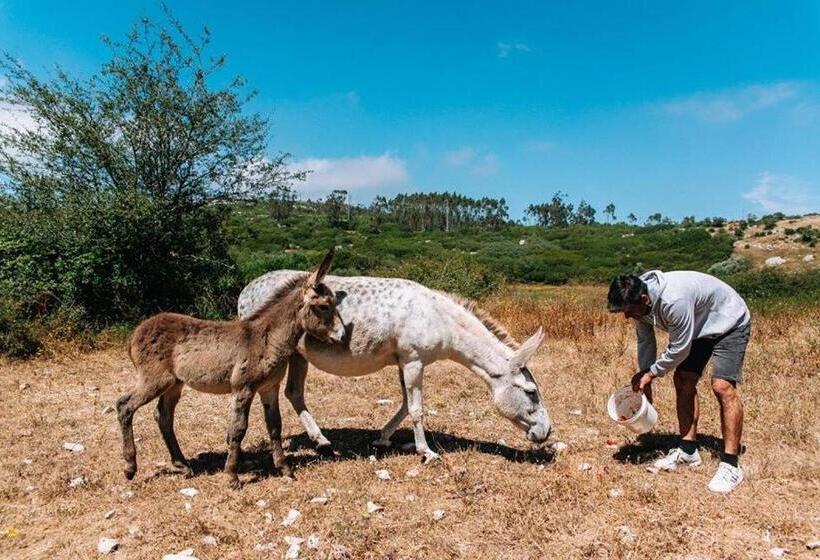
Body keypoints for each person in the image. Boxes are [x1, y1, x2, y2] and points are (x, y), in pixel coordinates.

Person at [607, 270, 751, 493]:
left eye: (629, 311)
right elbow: (645, 341)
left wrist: (652, 373)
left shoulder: (674, 300)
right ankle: (688, 450)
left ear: (644, 299)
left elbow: (680, 348)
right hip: (700, 326)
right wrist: (645, 375)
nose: (627, 316)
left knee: (722, 386)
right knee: (683, 379)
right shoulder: (639, 302)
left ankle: (731, 464)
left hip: (729, 321)